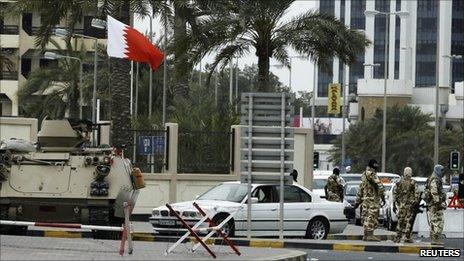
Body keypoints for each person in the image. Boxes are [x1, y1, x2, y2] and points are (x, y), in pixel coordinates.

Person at [353, 159, 385, 241]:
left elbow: (360, 189)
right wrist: (383, 197)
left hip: (365, 201)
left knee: (366, 217)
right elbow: (379, 186)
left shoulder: (364, 175)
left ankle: (366, 235)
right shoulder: (372, 174)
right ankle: (370, 235)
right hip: (372, 201)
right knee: (371, 217)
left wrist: (357, 201)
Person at [393, 167, 419, 243]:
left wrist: (394, 203)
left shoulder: (399, 182)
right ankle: (407, 237)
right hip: (410, 205)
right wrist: (416, 202)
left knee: (400, 221)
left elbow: (395, 193)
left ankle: (398, 237)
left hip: (401, 205)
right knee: (409, 221)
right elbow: (417, 194)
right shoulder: (413, 182)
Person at [424, 164, 447, 245]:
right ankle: (435, 239)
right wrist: (439, 203)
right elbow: (434, 192)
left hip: (435, 204)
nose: (443, 172)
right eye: (441, 170)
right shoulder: (434, 179)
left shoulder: (437, 179)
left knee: (436, 221)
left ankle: (435, 238)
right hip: (435, 205)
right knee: (436, 221)